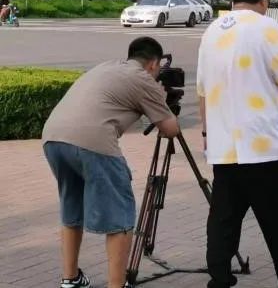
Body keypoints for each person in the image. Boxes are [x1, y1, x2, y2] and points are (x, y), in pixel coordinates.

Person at [197, 0, 278, 288]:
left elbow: (202, 91)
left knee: (223, 224)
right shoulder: (266, 27)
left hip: (224, 150)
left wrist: (207, 135)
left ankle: (219, 281)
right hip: (263, 150)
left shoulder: (211, 32)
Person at [42, 37, 180, 288]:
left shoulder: (107, 66)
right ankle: (117, 284)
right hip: (93, 142)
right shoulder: (143, 80)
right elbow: (170, 129)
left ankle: (70, 279)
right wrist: (161, 99)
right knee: (120, 216)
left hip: (53, 138)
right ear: (153, 64)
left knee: (72, 209)